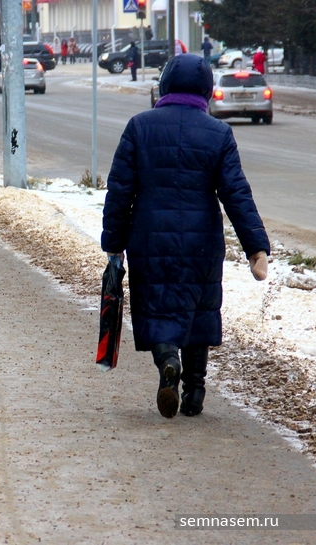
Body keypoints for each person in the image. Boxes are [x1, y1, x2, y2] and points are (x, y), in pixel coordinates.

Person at [101, 54, 270, 419]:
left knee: (157, 306)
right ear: (207, 90)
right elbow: (236, 193)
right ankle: (195, 392)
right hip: (201, 240)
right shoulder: (218, 133)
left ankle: (168, 361)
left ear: (164, 85)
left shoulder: (139, 126)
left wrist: (114, 242)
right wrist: (255, 247)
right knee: (198, 309)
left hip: (149, 237)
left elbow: (120, 190)